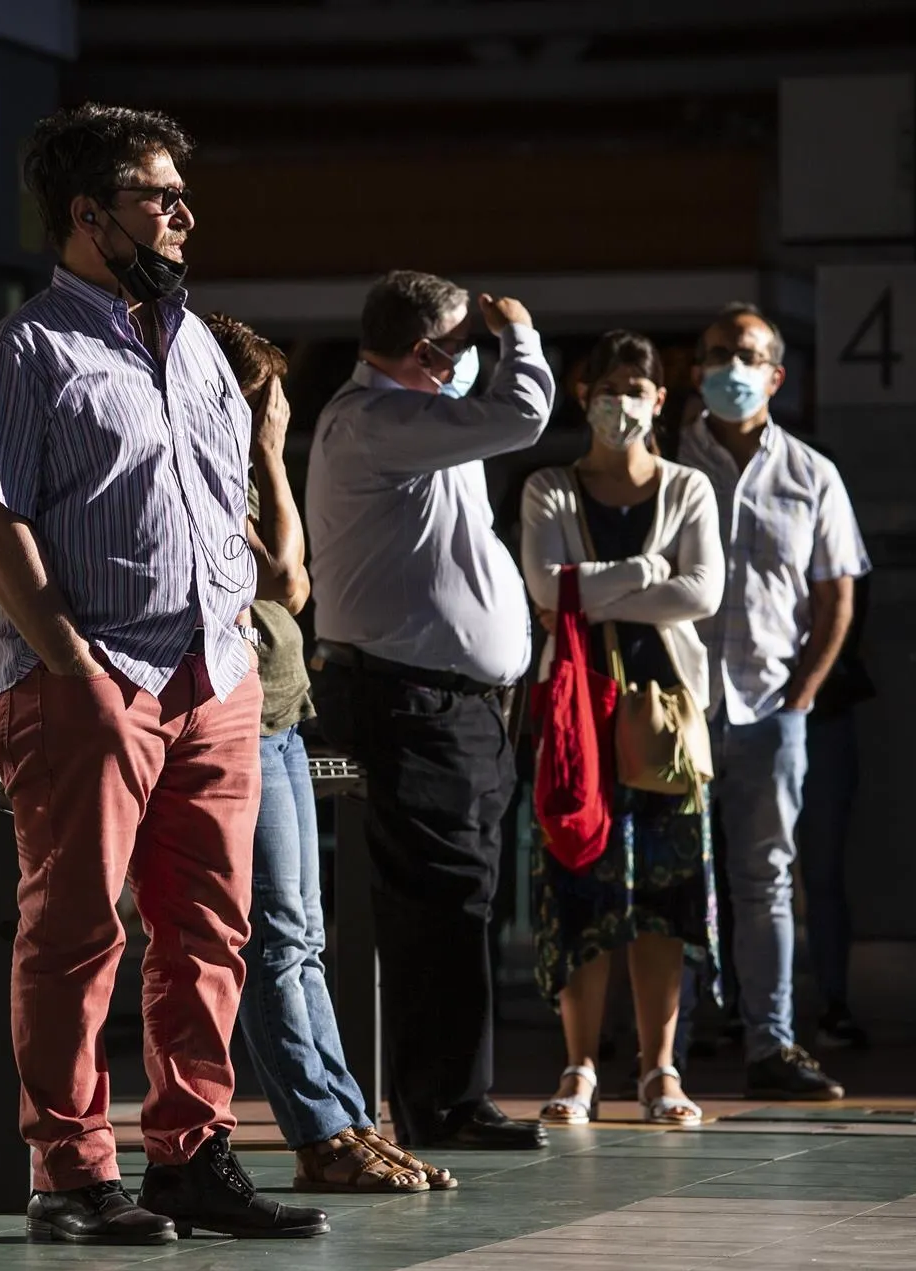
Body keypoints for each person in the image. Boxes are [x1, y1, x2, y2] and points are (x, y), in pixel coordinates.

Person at [0, 103, 326, 1245]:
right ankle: (70, 1173)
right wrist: (73, 667)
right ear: (88, 213)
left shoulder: (202, 345)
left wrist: (240, 642)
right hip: (92, 681)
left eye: (180, 196)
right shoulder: (25, 353)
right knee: (75, 932)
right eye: (159, 198)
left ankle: (192, 1157)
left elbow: (221, 504)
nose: (183, 217)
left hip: (215, 678)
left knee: (211, 929)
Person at [204, 313, 456, 1196]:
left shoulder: (235, 475)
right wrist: (272, 456)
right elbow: (288, 581)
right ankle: (319, 1135)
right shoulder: (206, 474)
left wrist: (264, 460)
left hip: (280, 718)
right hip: (236, 722)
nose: (270, 416)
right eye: (258, 400)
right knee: (275, 938)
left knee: (303, 936)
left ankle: (347, 1120)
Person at [307, 270, 556, 1151]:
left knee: (461, 899)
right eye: (465, 344)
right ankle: (443, 1103)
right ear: (427, 353)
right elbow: (523, 413)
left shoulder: (416, 422)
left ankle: (453, 1095)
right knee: (440, 904)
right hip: (412, 700)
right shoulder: (377, 422)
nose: (475, 356)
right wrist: (520, 333)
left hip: (453, 704)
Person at [519, 330, 724, 1126]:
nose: (620, 405)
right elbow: (544, 585)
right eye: (605, 389)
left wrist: (586, 591)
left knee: (665, 896)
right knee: (581, 885)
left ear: (660, 400)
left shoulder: (688, 489)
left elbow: (702, 593)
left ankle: (659, 1070)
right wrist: (646, 573)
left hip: (666, 716)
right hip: (578, 715)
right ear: (581, 396)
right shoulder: (549, 488)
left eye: (635, 391)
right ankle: (578, 1069)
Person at [680, 302, 870, 1101]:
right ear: (696, 371)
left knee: (767, 882)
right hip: (678, 711)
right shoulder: (665, 463)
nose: (731, 367)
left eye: (747, 355)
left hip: (769, 708)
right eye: (717, 353)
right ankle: (665, 1055)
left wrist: (803, 695)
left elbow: (836, 595)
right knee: (675, 882)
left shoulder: (811, 474)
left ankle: (773, 1046)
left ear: (775, 375)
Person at [798, 567, 874, 1051]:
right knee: (746, 872)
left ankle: (833, 1000)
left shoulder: (833, 542)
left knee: (822, 870)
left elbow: (846, 606)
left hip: (820, 712)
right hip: (749, 710)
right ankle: (741, 1011)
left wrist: (804, 692)